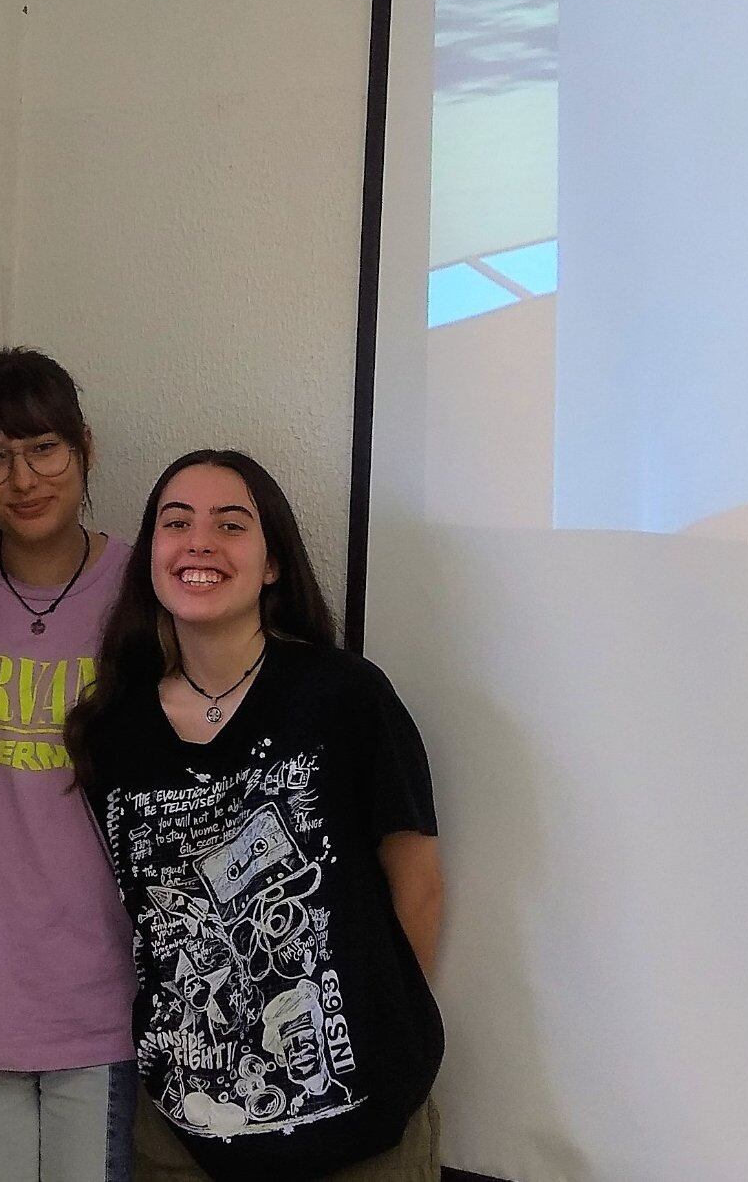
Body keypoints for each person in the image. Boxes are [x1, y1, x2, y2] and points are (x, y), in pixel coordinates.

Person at [69, 450, 446, 1181]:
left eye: (231, 524)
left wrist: (376, 1027)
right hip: (186, 1133)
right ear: (150, 558)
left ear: (273, 564)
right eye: (177, 523)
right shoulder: (112, 729)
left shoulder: (345, 696)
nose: (200, 543)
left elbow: (419, 881)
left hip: (363, 1128)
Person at [0, 348, 139, 1180]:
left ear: (85, 447)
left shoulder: (144, 591)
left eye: (44, 448)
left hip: (100, 986)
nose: (23, 479)